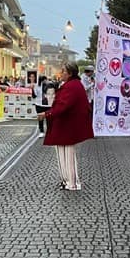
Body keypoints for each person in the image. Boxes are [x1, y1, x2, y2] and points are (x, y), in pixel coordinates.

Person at [38, 62, 94, 191]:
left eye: (63, 71)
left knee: (68, 154)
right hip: (64, 124)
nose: (61, 73)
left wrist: (47, 114)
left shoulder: (72, 86)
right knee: (62, 152)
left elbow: (63, 106)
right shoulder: (72, 85)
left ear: (69, 73)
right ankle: (66, 180)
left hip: (67, 125)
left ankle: (72, 182)